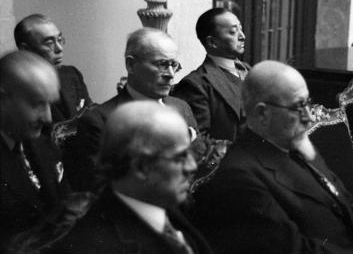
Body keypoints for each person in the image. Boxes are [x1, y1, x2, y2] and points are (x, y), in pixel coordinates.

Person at [192, 60, 353, 254]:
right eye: (297, 107)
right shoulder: (239, 177)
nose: (308, 117)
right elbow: (298, 249)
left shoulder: (300, 146)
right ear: (263, 113)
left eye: (307, 103)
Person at [48, 101, 212, 254]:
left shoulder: (167, 208)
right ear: (141, 167)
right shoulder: (96, 245)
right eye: (180, 157)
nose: (192, 167)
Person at [65, 28, 197, 191]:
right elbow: (99, 190)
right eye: (161, 64)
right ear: (131, 64)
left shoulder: (181, 108)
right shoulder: (100, 122)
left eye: (174, 65)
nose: (170, 74)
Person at [0, 51, 69, 249]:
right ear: (3, 98)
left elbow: (65, 210)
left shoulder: (42, 144)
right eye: (37, 104)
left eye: (49, 104)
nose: (47, 118)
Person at [172, 8, 250, 142]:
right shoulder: (195, 84)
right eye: (232, 32)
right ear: (212, 42)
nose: (242, 36)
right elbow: (199, 142)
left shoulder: (249, 71)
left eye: (240, 29)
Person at [14, 14, 92, 123]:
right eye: (49, 43)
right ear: (25, 49)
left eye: (59, 39)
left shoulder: (71, 74)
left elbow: (92, 117)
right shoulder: (15, 88)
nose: (59, 48)